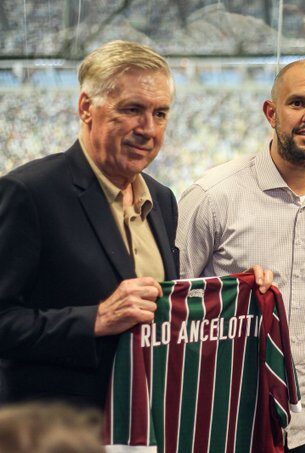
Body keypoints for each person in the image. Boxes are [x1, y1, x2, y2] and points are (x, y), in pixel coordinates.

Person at [177, 59, 305, 452]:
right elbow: (172, 306)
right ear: (271, 112)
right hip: (231, 420)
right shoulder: (212, 196)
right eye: (297, 103)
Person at [0, 40, 179, 408]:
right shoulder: (29, 192)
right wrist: (95, 319)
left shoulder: (162, 200)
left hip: (145, 419)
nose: (148, 128)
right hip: (58, 426)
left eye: (160, 113)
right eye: (132, 109)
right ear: (86, 107)